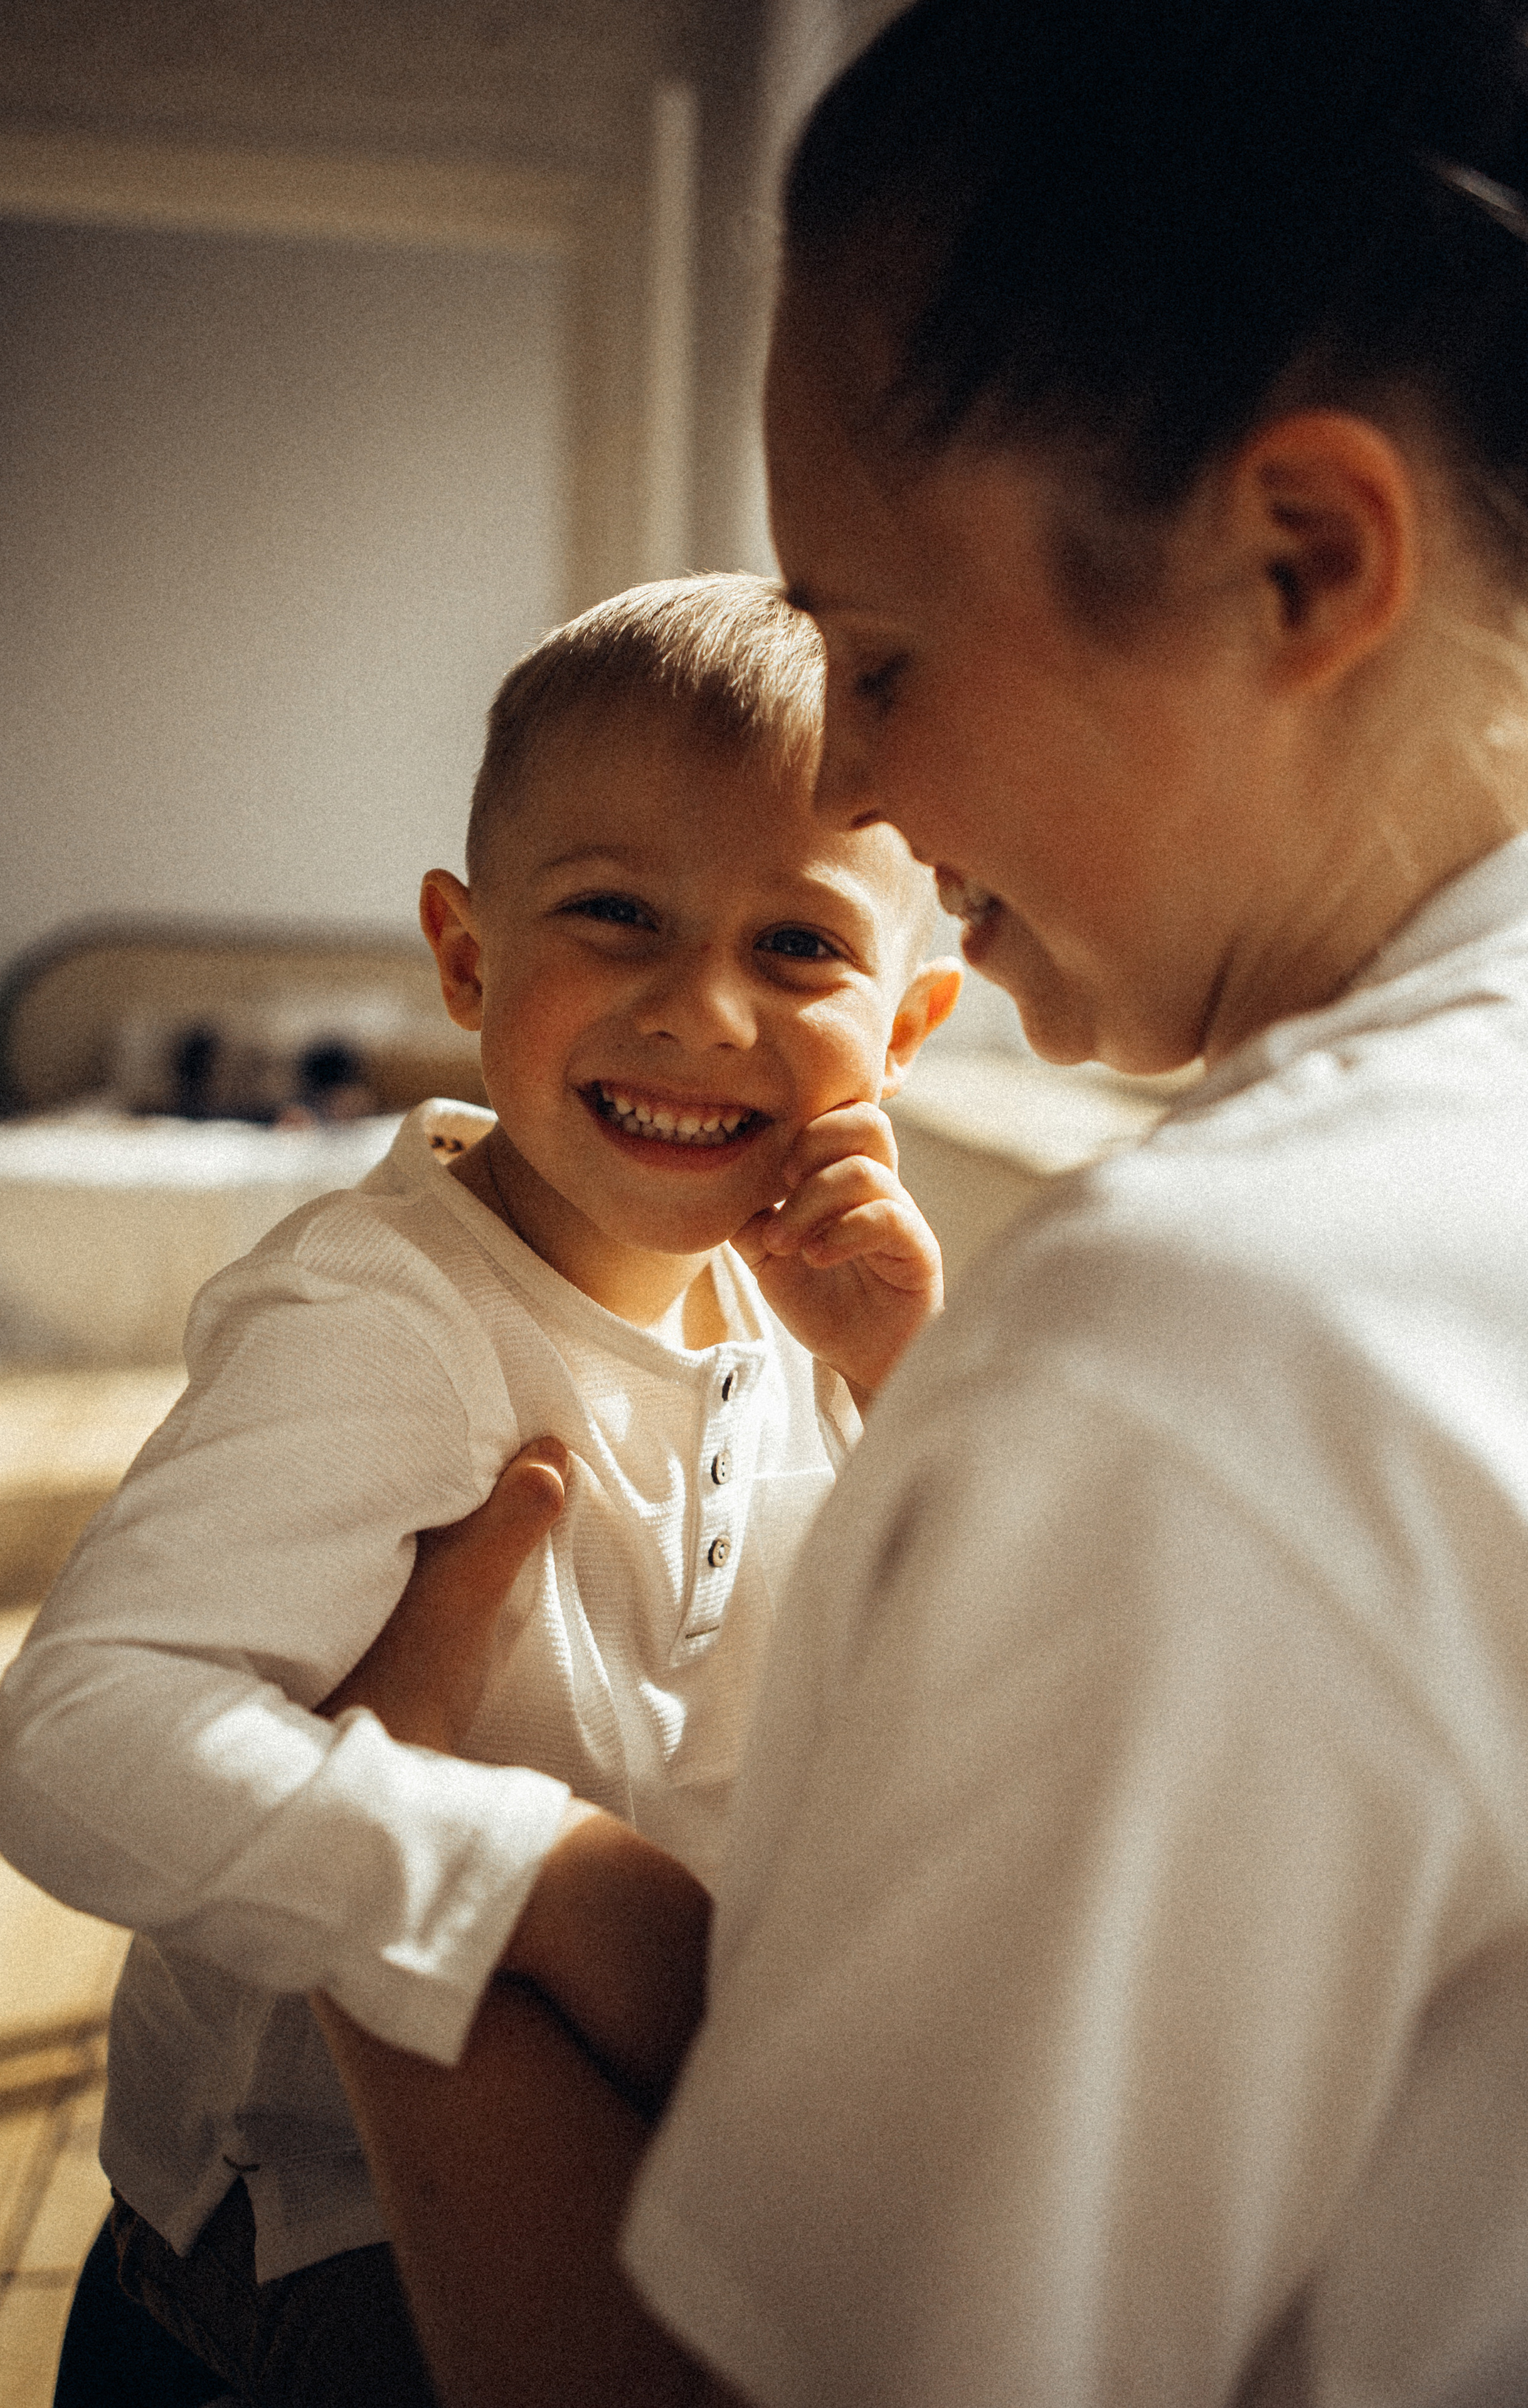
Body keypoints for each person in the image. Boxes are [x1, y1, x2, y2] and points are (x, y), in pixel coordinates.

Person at [312, 2, 1528, 2402]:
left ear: (1298, 560)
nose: (849, 786)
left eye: (878, 656)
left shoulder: (1200, 1359)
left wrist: (395, 1864)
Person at [0, 572, 960, 2407]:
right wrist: (533, 1880)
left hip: (640, 2156)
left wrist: (907, 1380)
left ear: (910, 1029)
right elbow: (76, 1735)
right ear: (465, 956)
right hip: (306, 2250)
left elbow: (940, 1677)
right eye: (616, 914)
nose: (699, 1010)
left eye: (803, 950)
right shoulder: (382, 1315)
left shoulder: (793, 1308)